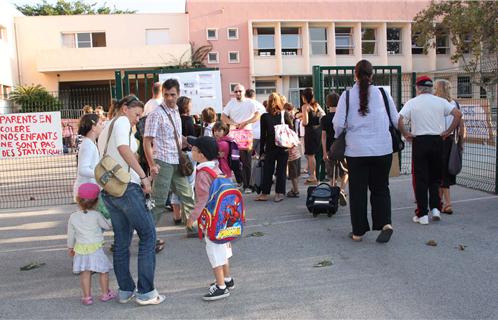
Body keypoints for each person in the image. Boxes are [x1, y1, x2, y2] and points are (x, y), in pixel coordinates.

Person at [98, 95, 165, 305]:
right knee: (148, 235)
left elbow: (117, 156)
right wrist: (144, 178)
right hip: (126, 189)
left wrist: (145, 170)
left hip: (111, 190)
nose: (138, 119)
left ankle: (126, 291)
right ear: (125, 109)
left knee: (121, 242)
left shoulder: (107, 126)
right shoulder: (121, 122)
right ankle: (146, 292)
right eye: (137, 114)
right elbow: (123, 149)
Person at [333, 59, 398, 243]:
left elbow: (338, 124)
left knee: (358, 191)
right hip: (382, 149)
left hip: (356, 151)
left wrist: (340, 134)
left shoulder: (346, 96)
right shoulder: (383, 94)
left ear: (355, 75)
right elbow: (395, 119)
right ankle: (385, 224)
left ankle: (358, 232)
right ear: (372, 75)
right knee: (381, 188)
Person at [398, 75, 462, 225]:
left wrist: (406, 133)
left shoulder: (412, 102)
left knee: (420, 178)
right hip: (437, 140)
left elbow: (399, 119)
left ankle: (422, 214)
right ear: (431, 87)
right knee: (435, 177)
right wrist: (447, 131)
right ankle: (435, 209)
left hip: (420, 141)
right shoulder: (440, 102)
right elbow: (458, 115)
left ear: (418, 88)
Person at [143, 79, 196, 238]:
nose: (169, 98)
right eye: (166, 95)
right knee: (158, 201)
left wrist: (187, 141)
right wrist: (152, 165)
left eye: (172, 95)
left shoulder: (176, 111)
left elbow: (175, 136)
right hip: (163, 162)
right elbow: (147, 141)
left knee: (187, 195)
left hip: (177, 161)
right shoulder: (156, 114)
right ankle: (147, 236)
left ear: (178, 94)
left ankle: (192, 228)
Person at [186, 136, 235, 301]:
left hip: (211, 219)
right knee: (224, 250)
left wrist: (192, 218)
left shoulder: (202, 174)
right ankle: (227, 280)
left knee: (214, 251)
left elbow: (203, 199)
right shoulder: (216, 168)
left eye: (193, 149)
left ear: (201, 154)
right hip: (224, 218)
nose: (191, 151)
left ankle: (221, 287)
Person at [67, 183, 115, 305]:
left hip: (80, 249)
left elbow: (71, 235)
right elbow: (107, 226)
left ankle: (87, 297)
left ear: (78, 199)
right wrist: (109, 217)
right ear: (96, 201)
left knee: (85, 272)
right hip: (96, 248)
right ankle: (105, 294)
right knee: (103, 271)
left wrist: (70, 247)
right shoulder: (96, 215)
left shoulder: (73, 216)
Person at [222, 84, 261, 194]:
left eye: (240, 91)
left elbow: (257, 115)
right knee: (234, 160)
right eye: (236, 91)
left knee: (246, 161)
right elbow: (223, 117)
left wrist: (246, 122)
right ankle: (240, 182)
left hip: (246, 134)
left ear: (244, 92)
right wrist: (233, 123)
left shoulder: (250, 102)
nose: (238, 93)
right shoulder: (231, 103)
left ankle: (247, 185)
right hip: (234, 134)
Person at [434, 79, 466, 215]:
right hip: (452, 140)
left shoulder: (436, 103)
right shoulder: (455, 103)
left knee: (441, 173)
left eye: (435, 87)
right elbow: (461, 124)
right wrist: (461, 143)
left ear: (439, 89)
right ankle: (440, 202)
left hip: (440, 140)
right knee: (444, 172)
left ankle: (447, 203)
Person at [255, 93, 292, 202]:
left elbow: (263, 135)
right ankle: (279, 193)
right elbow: (291, 128)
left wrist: (261, 151)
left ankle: (265, 193)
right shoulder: (284, 114)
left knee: (268, 170)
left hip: (270, 146)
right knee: (281, 170)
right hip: (283, 146)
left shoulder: (265, 116)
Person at [170, 96, 197, 226]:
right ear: (187, 106)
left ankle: (176, 216)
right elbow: (192, 139)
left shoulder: (174, 119)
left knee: (176, 185)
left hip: (175, 154)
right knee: (189, 184)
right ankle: (189, 217)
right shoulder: (188, 119)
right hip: (188, 154)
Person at [321, 92, 348, 206]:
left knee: (332, 174)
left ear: (327, 104)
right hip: (342, 148)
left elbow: (323, 137)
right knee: (345, 172)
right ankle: (341, 190)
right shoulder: (343, 117)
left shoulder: (324, 118)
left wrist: (324, 152)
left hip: (329, 149)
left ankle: (333, 190)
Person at [73, 113, 104, 200]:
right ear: (93, 127)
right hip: (87, 190)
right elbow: (83, 170)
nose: (102, 126)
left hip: (88, 188)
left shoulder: (89, 143)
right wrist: (100, 174)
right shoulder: (88, 145)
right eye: (100, 124)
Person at [301, 88, 325, 185]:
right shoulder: (317, 105)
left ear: (304, 97)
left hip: (310, 131)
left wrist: (302, 121)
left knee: (310, 155)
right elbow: (323, 115)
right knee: (316, 154)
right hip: (318, 130)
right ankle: (316, 176)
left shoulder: (305, 107)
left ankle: (312, 176)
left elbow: (305, 122)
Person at [285, 102, 301, 198]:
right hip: (297, 154)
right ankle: (295, 188)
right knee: (296, 174)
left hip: (291, 156)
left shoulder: (285, 131)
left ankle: (296, 190)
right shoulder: (292, 130)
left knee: (293, 175)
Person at [246, 89, 266, 158]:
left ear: (245, 96)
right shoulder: (261, 105)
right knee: (262, 157)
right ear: (254, 96)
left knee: (247, 158)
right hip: (261, 134)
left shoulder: (246, 104)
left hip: (250, 135)